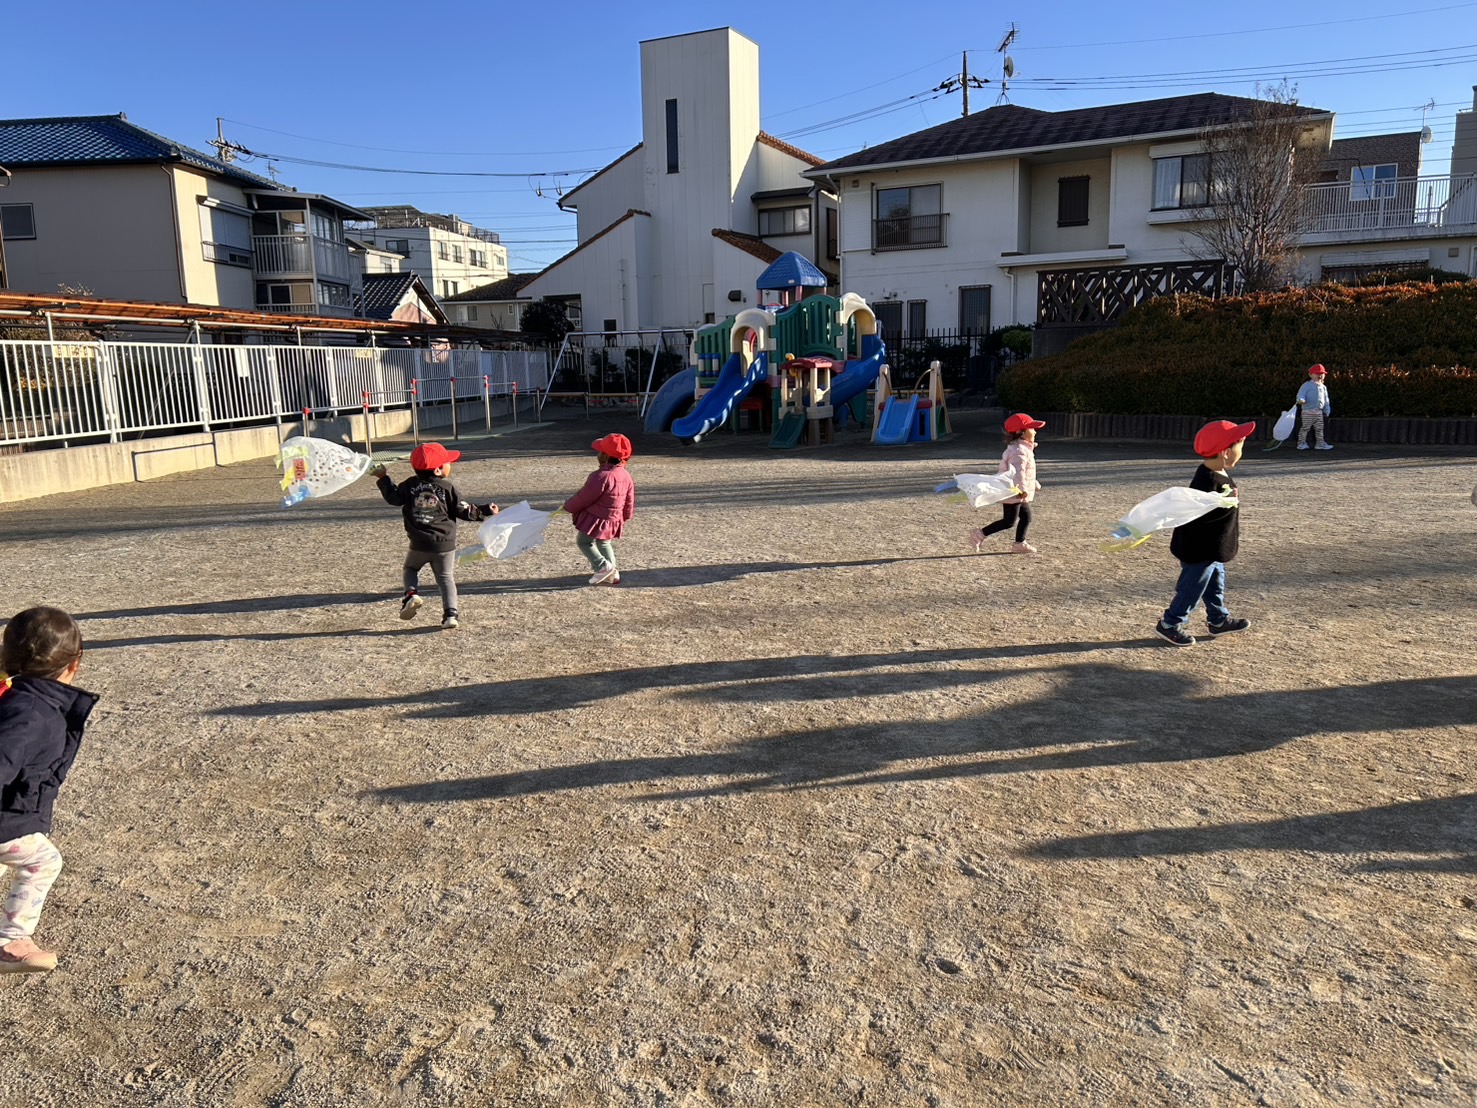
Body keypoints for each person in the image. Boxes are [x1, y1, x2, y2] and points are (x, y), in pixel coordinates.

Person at [0, 606, 96, 975]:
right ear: (75, 663)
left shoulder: (16, 699)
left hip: (12, 813)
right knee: (43, 860)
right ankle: (12, 938)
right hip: (7, 822)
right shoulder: (32, 713)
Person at [373, 443, 497, 630]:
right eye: (448, 462)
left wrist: (383, 478)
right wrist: (486, 510)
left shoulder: (409, 485)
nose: (450, 465)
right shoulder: (448, 488)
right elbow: (465, 511)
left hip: (418, 542)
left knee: (410, 568)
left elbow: (394, 498)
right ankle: (450, 615)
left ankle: (411, 594)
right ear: (439, 470)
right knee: (445, 577)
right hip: (444, 544)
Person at [1154, 420, 1255, 647]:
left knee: (1215, 582)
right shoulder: (1207, 482)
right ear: (1225, 452)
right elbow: (1196, 515)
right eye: (1240, 445)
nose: (1242, 451)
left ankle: (1218, 620)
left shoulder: (1218, 474)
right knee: (1192, 587)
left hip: (1212, 547)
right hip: (1199, 548)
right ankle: (1170, 623)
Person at [564, 433, 636, 586]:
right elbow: (629, 499)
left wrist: (568, 506)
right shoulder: (626, 475)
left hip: (597, 518)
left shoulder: (600, 476)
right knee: (604, 543)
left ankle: (602, 566)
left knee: (584, 542)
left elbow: (584, 497)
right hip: (614, 518)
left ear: (604, 456)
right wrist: (625, 516)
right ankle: (613, 573)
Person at [970, 412, 1044, 554]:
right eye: (1032, 428)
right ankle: (979, 534)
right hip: (1013, 491)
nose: (1035, 431)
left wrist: (1032, 483)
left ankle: (1019, 543)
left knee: (1026, 516)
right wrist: (1021, 490)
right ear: (1021, 432)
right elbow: (1017, 474)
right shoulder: (1019, 451)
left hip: (1016, 491)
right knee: (1008, 521)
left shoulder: (1022, 449)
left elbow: (1025, 472)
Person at [1295, 363, 1333, 451]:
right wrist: (1301, 400)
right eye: (1317, 373)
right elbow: (1301, 395)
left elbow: (1326, 400)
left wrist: (1327, 409)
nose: (1320, 375)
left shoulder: (1323, 387)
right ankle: (1301, 443)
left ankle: (1320, 443)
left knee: (1319, 428)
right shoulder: (1306, 385)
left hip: (1319, 412)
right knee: (1305, 428)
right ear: (1310, 375)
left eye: (1322, 374)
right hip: (1307, 411)